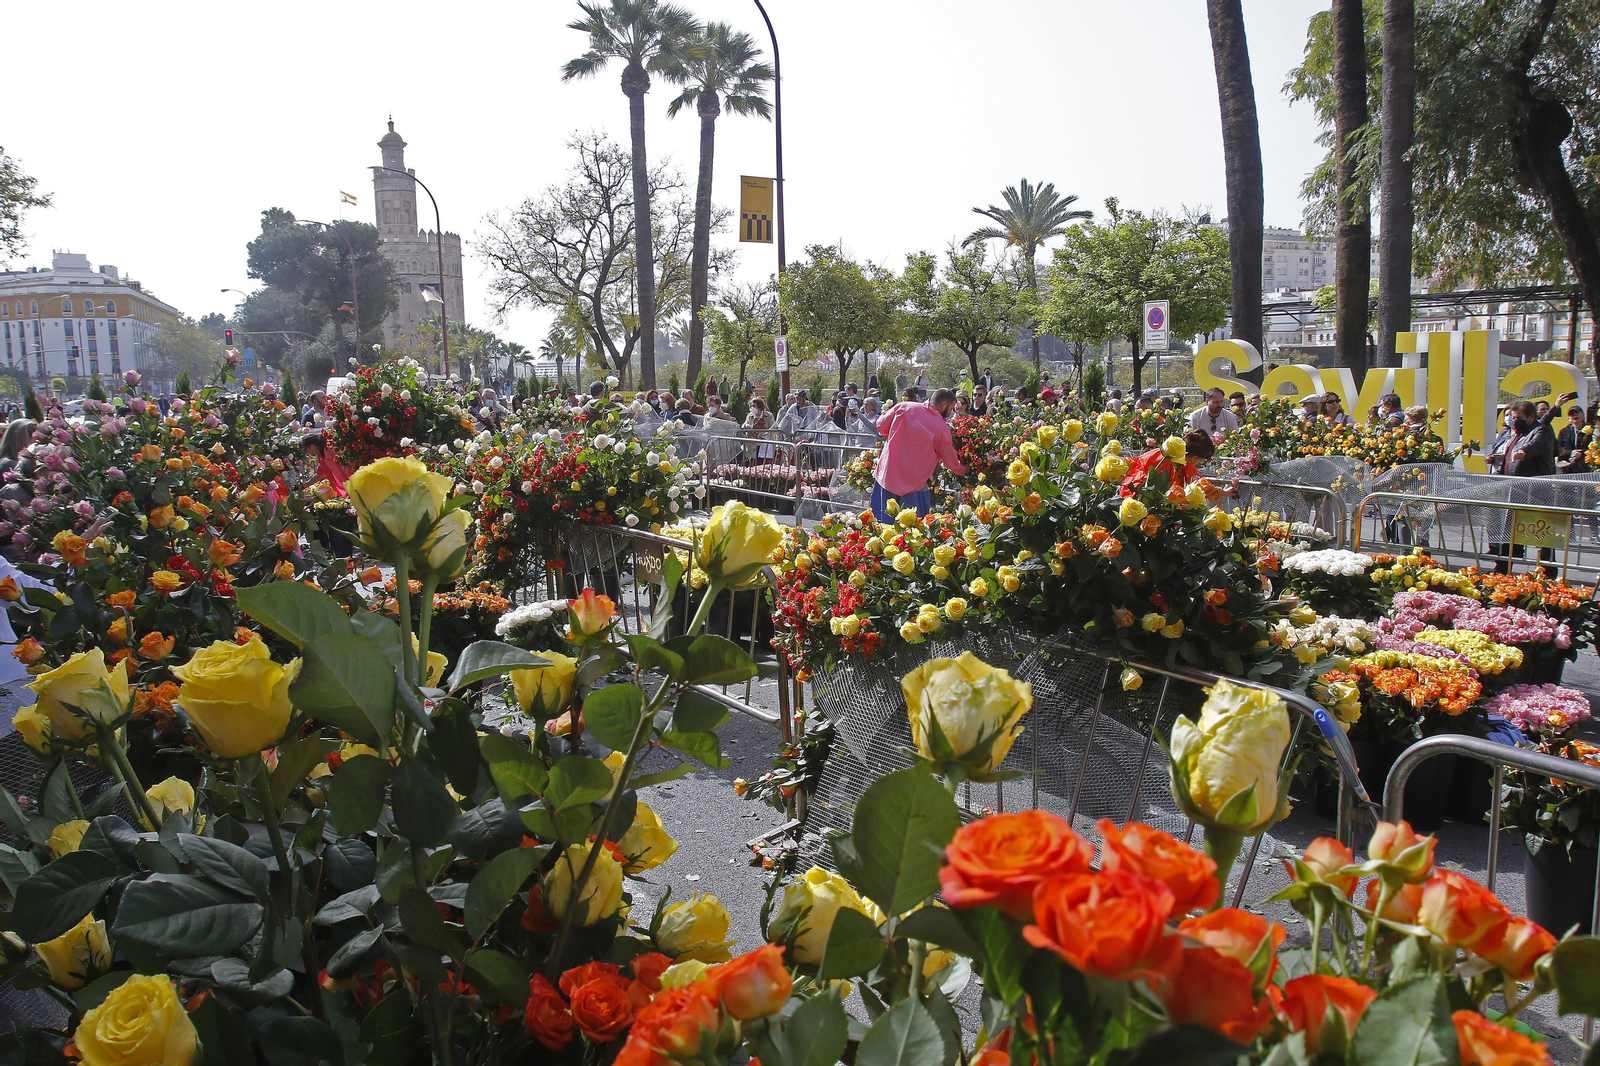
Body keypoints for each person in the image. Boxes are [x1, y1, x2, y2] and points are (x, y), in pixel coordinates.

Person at [871, 387, 967, 520]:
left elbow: (880, 425)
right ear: (943, 405)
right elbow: (951, 462)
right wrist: (965, 469)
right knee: (913, 535)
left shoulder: (904, 406)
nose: (950, 413)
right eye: (950, 409)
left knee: (881, 531)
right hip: (913, 487)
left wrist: (897, 436)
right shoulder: (940, 427)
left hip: (886, 478)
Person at [1558, 405, 1591, 472]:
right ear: (1569, 419)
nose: (1575, 415)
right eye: (1571, 414)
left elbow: (1595, 448)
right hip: (1568, 468)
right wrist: (1571, 453)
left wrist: (1581, 453)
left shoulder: (1591, 430)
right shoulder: (1563, 431)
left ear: (1583, 415)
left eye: (1577, 412)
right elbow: (1558, 449)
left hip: (1586, 467)